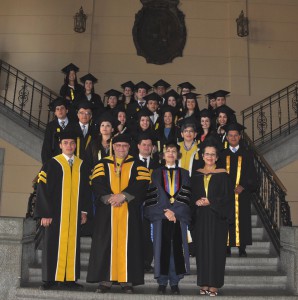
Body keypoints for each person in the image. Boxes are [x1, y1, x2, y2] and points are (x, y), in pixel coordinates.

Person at [86, 134, 151, 293]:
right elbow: (97, 183)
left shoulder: (138, 165)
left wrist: (124, 196)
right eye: (118, 146)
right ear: (113, 147)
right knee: (105, 244)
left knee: (129, 245)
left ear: (129, 148)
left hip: (129, 212)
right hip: (107, 212)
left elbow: (142, 184)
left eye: (124, 146)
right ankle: (105, 280)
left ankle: (126, 280)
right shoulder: (102, 164)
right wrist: (110, 198)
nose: (121, 148)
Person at [35, 131, 91, 290]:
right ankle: (49, 279)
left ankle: (69, 278)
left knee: (72, 245)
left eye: (72, 143)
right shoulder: (51, 164)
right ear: (60, 145)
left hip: (74, 214)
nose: (69, 146)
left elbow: (86, 190)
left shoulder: (82, 165)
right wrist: (44, 213)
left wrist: (84, 211)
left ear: (76, 146)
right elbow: (42, 189)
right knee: (52, 245)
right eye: (65, 143)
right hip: (55, 214)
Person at [144, 142, 191, 295]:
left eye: (173, 151)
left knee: (175, 249)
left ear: (178, 155)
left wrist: (175, 212)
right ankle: (162, 282)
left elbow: (186, 195)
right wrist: (165, 212)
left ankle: (175, 282)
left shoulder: (184, 173)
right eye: (168, 150)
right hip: (161, 217)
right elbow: (152, 195)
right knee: (161, 249)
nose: (170, 153)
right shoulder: (156, 173)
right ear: (163, 155)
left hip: (178, 218)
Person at [191, 138, 234, 296]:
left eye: (212, 154)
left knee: (216, 251)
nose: (209, 157)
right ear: (203, 156)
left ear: (217, 157)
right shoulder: (196, 175)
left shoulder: (223, 176)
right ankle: (203, 283)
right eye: (207, 154)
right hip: (201, 217)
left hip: (217, 219)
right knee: (202, 250)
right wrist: (196, 201)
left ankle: (214, 284)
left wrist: (211, 201)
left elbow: (228, 197)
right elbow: (191, 196)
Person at [221, 123, 258, 257]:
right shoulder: (222, 155)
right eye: (230, 135)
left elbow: (252, 175)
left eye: (236, 135)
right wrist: (226, 188)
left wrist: (244, 186)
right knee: (227, 219)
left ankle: (242, 248)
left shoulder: (247, 154)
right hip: (227, 195)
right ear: (227, 137)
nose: (233, 137)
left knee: (242, 220)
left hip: (242, 194)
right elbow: (219, 175)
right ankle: (227, 247)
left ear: (240, 136)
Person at [136, 133, 160, 273]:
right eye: (144, 144)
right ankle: (135, 260)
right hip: (134, 205)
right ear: (138, 146)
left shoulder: (157, 165)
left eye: (149, 145)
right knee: (135, 233)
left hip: (152, 204)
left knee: (148, 234)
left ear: (153, 148)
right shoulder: (131, 163)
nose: (146, 147)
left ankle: (146, 261)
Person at [41, 97, 73, 164]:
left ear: (66, 110)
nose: (60, 110)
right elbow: (46, 146)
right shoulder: (51, 126)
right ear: (55, 112)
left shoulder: (74, 125)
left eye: (62, 108)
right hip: (55, 162)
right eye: (57, 109)